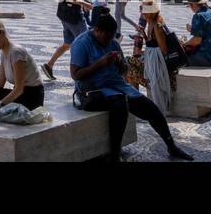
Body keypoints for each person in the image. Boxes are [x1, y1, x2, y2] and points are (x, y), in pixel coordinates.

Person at [70, 11, 193, 162]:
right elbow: (76, 75)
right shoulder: (82, 44)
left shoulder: (113, 43)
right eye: (105, 37)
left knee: (151, 109)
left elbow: (124, 70)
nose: (108, 41)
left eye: (111, 37)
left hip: (117, 85)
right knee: (120, 104)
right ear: (97, 31)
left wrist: (121, 64)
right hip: (93, 89)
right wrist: (99, 64)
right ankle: (115, 153)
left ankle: (171, 146)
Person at [0, 12, 44, 112]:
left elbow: (19, 89)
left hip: (32, 97)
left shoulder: (16, 52)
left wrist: (0, 104)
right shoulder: (4, 52)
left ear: (1, 32)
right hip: (22, 94)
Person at [43, 0, 91, 80]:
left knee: (67, 43)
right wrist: (84, 4)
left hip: (65, 13)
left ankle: (49, 65)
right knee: (85, 42)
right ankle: (82, 71)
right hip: (73, 15)